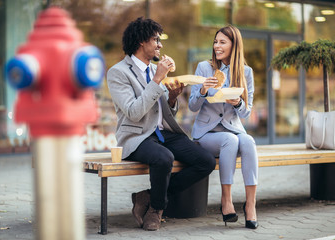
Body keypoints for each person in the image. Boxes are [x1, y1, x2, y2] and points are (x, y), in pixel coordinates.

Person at [107, 17, 216, 231]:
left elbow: (166, 111)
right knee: (163, 158)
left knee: (206, 161)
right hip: (138, 135)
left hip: (163, 133)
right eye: (156, 39)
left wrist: (173, 98)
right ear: (141, 41)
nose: (160, 45)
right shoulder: (118, 72)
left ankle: (146, 197)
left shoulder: (155, 70)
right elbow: (133, 112)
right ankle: (157, 209)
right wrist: (157, 80)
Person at [188, 25, 258, 229]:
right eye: (215, 41)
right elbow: (192, 106)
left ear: (234, 45)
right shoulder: (204, 67)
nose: (217, 46)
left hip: (233, 128)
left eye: (222, 42)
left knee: (248, 141)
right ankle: (226, 201)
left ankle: (251, 204)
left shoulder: (246, 72)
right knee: (231, 140)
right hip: (206, 134)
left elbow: (246, 113)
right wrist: (202, 90)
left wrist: (237, 102)